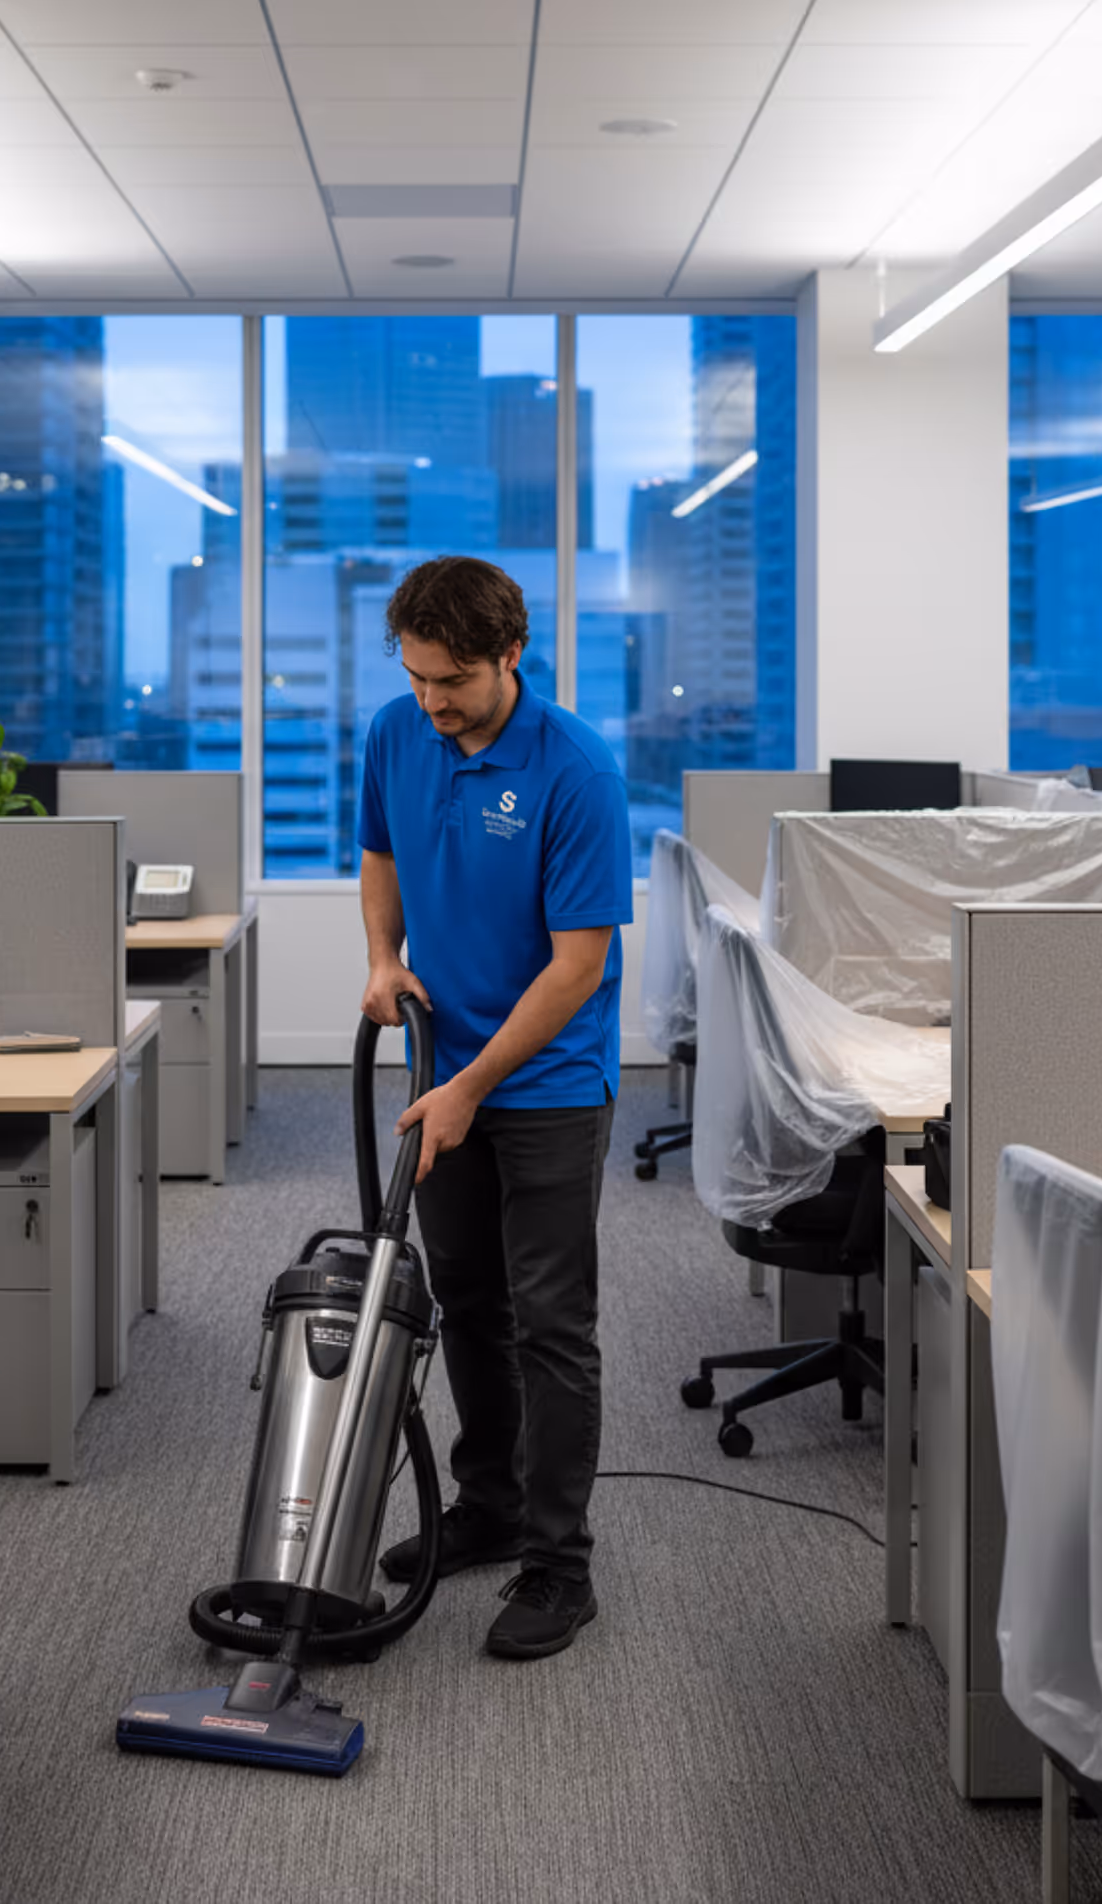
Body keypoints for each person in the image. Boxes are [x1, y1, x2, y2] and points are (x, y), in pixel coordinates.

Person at [357, 554, 633, 1660]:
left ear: (509, 655)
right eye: (418, 677)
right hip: (444, 1065)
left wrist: (472, 1087)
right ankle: (490, 1502)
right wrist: (383, 956)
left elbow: (576, 968)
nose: (433, 702)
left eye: (453, 681)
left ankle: (560, 1568)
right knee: (466, 1299)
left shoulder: (573, 771)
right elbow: (378, 850)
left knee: (550, 1321)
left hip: (550, 1082)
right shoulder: (396, 732)